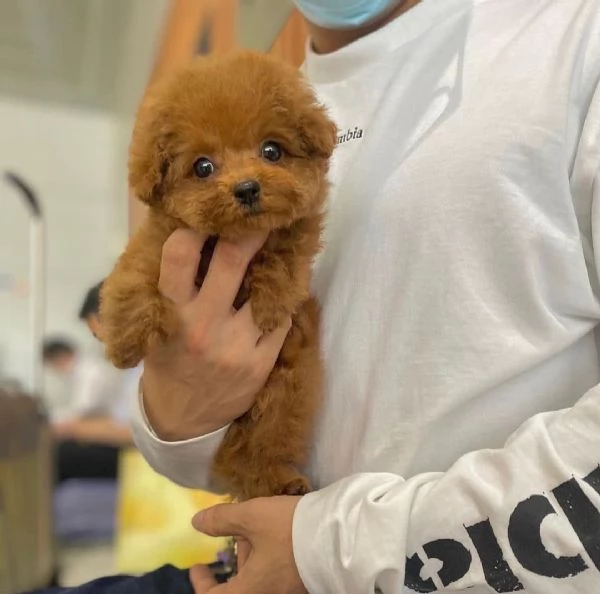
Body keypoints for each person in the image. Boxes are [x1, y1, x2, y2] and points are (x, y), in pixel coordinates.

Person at [36, 0, 600, 592]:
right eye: (205, 166)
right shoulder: (271, 90)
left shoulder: (571, 38)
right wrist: (170, 421)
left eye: (272, 152)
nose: (246, 174)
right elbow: (197, 442)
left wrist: (331, 553)